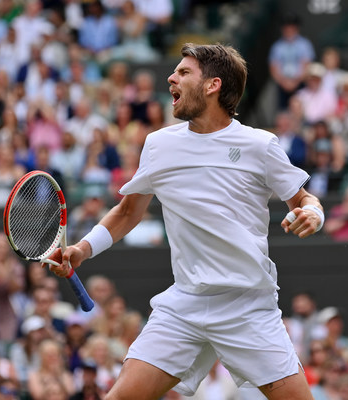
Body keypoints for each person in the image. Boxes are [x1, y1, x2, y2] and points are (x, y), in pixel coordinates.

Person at [47, 43, 324, 400]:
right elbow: (129, 211)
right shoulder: (159, 145)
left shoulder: (260, 145)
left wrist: (312, 214)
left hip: (247, 306)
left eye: (183, 72)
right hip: (185, 305)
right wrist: (83, 249)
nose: (171, 78)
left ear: (213, 85)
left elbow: (304, 198)